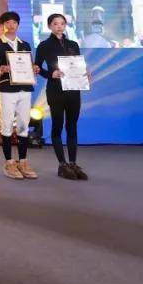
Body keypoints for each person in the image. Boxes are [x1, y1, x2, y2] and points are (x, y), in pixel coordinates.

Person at [0, 11, 39, 180]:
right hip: (7, 88)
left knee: (23, 124)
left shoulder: (25, 45)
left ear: (18, 25)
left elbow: (28, 65)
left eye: (14, 22)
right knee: (7, 124)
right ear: (2, 25)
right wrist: (0, 69)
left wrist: (34, 68)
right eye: (7, 22)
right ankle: (9, 162)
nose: (11, 25)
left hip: (25, 88)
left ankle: (23, 161)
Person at [36, 13, 89, 181]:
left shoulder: (73, 44)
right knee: (57, 126)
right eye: (55, 23)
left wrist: (85, 74)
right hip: (55, 90)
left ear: (66, 25)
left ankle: (73, 163)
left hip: (73, 90)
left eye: (62, 23)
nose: (59, 26)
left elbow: (78, 66)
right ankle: (62, 164)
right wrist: (51, 74)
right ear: (49, 26)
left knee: (72, 127)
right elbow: (37, 67)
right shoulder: (44, 45)